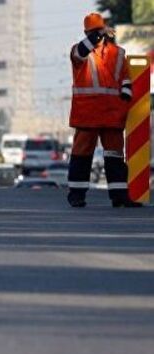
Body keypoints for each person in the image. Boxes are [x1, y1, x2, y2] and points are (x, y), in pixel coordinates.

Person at [67, 12, 142, 208]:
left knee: (115, 157)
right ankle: (76, 195)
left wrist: (126, 91)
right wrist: (92, 39)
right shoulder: (80, 51)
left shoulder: (118, 53)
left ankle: (119, 196)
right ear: (86, 33)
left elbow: (125, 76)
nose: (97, 35)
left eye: (97, 31)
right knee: (82, 155)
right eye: (93, 32)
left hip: (111, 113)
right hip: (88, 113)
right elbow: (79, 53)